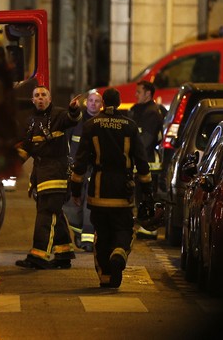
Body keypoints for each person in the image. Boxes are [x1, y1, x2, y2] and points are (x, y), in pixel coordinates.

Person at [69, 88, 153, 288]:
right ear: (120, 101)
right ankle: (119, 253)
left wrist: (75, 189)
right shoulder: (130, 126)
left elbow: (80, 161)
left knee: (102, 233)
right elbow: (141, 160)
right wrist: (147, 189)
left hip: (98, 189)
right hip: (122, 191)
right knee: (123, 228)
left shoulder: (91, 125)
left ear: (103, 103)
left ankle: (106, 277)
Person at [15, 86, 82, 269]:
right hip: (41, 174)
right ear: (32, 100)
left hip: (56, 173)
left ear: (50, 99)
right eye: (36, 95)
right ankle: (63, 254)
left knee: (46, 214)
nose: (40, 98)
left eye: (44, 95)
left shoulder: (60, 115)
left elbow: (73, 119)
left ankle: (38, 255)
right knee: (54, 213)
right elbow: (26, 147)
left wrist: (74, 109)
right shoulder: (31, 121)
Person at [62, 90, 103, 252]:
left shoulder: (103, 122)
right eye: (91, 100)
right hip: (76, 169)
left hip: (95, 169)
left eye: (97, 101)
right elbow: (65, 143)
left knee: (90, 205)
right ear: (86, 103)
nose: (93, 103)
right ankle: (79, 233)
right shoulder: (76, 121)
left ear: (102, 105)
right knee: (72, 205)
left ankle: (88, 240)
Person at [128, 80, 166, 239]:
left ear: (148, 93)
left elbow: (147, 140)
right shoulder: (137, 110)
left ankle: (150, 228)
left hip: (148, 161)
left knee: (147, 194)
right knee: (138, 194)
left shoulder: (152, 112)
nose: (136, 94)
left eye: (139, 92)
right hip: (138, 160)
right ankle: (143, 224)